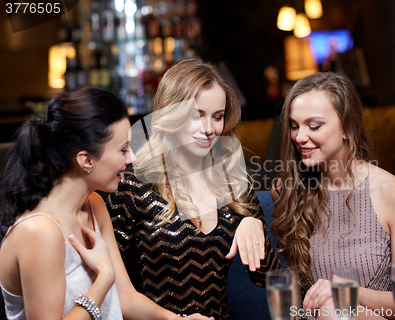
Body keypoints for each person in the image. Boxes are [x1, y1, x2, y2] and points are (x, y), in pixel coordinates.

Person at [0, 87, 210, 320]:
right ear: (86, 160)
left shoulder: (95, 204)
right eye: (123, 150)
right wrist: (104, 278)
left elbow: (125, 297)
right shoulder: (39, 231)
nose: (132, 158)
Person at [106, 59, 280, 319]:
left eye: (217, 117)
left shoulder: (232, 180)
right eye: (197, 115)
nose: (209, 129)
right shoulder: (132, 183)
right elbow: (110, 290)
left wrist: (253, 224)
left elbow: (269, 277)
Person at [271, 72, 395, 319]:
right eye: (294, 126)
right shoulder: (287, 190)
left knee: (335, 306)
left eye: (314, 125)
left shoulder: (393, 194)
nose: (299, 137)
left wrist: (347, 292)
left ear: (346, 127)